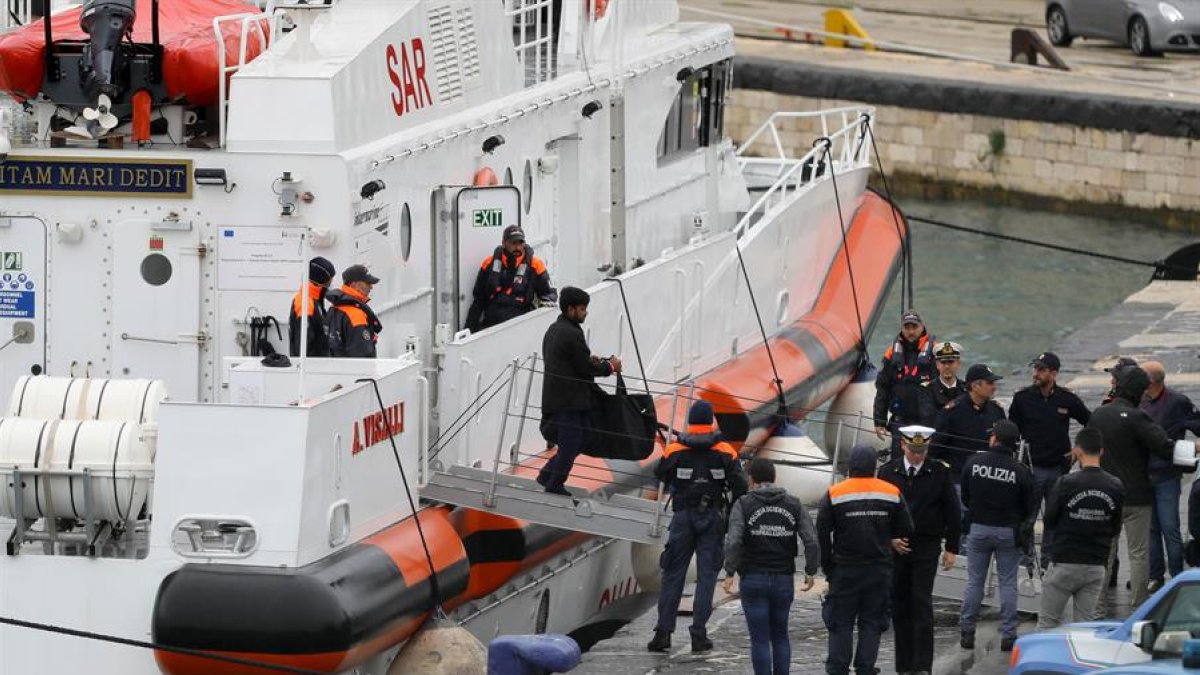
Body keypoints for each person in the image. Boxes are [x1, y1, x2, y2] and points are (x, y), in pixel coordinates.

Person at [648, 400, 748, 654]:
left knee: (673, 573)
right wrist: (730, 511)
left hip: (682, 516)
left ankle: (663, 633)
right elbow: (741, 485)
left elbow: (659, 473)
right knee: (707, 577)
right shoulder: (725, 450)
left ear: (691, 421)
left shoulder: (675, 448)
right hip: (712, 517)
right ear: (711, 421)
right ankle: (698, 634)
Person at [817, 446, 913, 675]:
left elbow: (822, 531)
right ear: (874, 467)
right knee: (872, 621)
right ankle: (865, 668)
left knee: (841, 621)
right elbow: (907, 527)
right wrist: (888, 538)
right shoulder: (891, 492)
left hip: (845, 568)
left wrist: (828, 566)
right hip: (879, 568)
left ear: (850, 466)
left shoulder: (835, 493)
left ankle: (838, 668)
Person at [722, 457, 820, 675]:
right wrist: (810, 570)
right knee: (780, 636)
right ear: (774, 478)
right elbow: (811, 540)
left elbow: (734, 540)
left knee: (759, 639)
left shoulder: (743, 504)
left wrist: (729, 571)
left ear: (751, 479)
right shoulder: (793, 503)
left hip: (753, 576)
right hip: (783, 578)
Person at [1088, 366, 1174, 610]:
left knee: (1105, 553)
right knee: (1138, 554)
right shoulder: (1138, 417)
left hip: (1105, 494)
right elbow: (1164, 446)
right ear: (1138, 392)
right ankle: (1139, 606)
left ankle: (1097, 608)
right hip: (1137, 495)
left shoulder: (1099, 414)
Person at [878, 425, 960, 675]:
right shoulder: (888, 472)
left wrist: (951, 547)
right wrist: (889, 539)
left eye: (921, 451)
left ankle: (923, 666)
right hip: (897, 547)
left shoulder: (939, 472)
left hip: (926, 544)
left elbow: (952, 510)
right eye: (913, 451)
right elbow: (880, 511)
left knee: (921, 603)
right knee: (900, 604)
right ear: (903, 445)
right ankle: (904, 666)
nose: (917, 456)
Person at [1008, 351, 1091, 569]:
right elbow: (1011, 431)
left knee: (1055, 519)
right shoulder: (1022, 398)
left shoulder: (1067, 399)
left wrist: (1078, 450)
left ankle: (1049, 562)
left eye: (1041, 370)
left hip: (1058, 469)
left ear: (1053, 373)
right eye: (1035, 369)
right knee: (1027, 518)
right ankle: (1025, 564)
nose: (1036, 374)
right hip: (1030, 468)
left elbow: (1090, 421)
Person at [959, 420, 1035, 652]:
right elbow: (1028, 506)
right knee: (1008, 583)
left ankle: (967, 631)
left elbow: (965, 497)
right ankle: (1008, 635)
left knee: (974, 581)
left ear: (995, 439)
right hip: (1007, 532)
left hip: (978, 528)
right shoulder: (1020, 471)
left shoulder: (974, 463)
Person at [1038, 428, 1124, 629]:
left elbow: (1049, 521)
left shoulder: (1065, 483)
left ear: (1077, 451)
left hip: (1065, 560)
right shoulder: (1115, 485)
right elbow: (1115, 527)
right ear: (1101, 451)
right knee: (1085, 628)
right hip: (1095, 564)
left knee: (1047, 624)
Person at [538, 286, 621, 495]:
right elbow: (585, 368)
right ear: (570, 309)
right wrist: (610, 367)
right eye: (582, 309)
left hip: (558, 398)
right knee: (572, 443)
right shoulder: (572, 333)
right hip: (568, 402)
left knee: (577, 441)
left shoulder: (553, 330)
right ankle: (554, 484)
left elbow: (571, 362)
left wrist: (589, 360)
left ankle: (547, 475)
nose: (586, 313)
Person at [1140, 361, 1200, 590]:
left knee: (1170, 527)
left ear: (1151, 381)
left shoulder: (1177, 402)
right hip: (1143, 475)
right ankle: (1156, 576)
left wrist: (1192, 447)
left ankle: (1176, 576)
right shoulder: (1138, 400)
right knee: (1151, 530)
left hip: (1167, 475)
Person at [464, 225, 557, 333]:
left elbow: (549, 294)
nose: (517, 246)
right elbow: (478, 300)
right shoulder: (489, 264)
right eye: (513, 243)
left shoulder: (535, 265)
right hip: (491, 327)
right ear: (504, 243)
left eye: (520, 242)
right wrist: (468, 330)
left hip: (521, 325)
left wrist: (546, 302)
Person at [873, 310, 936, 460]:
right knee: (898, 461)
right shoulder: (891, 353)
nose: (911, 331)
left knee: (928, 461)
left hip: (927, 422)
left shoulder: (934, 352)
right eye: (907, 327)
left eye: (914, 327)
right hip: (900, 421)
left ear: (922, 326)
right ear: (902, 328)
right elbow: (883, 387)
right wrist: (879, 420)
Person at [932, 364, 1006, 488]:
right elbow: (936, 447)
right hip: (960, 479)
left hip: (990, 478)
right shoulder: (952, 412)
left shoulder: (996, 410)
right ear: (975, 386)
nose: (994, 387)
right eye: (990, 383)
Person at [326, 264, 382, 358]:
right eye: (367, 283)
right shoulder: (356, 315)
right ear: (354, 285)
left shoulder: (333, 308)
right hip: (355, 367)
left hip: (334, 365)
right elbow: (362, 355)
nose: (371, 287)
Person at [288, 256, 336, 357]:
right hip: (312, 365)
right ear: (320, 280)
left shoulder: (315, 301)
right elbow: (303, 347)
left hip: (318, 364)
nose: (331, 285)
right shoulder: (305, 304)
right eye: (330, 281)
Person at [917, 341, 966, 427]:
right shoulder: (927, 389)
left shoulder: (966, 388)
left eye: (950, 362)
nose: (947, 366)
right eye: (943, 362)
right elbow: (928, 419)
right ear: (937, 365)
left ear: (958, 364)